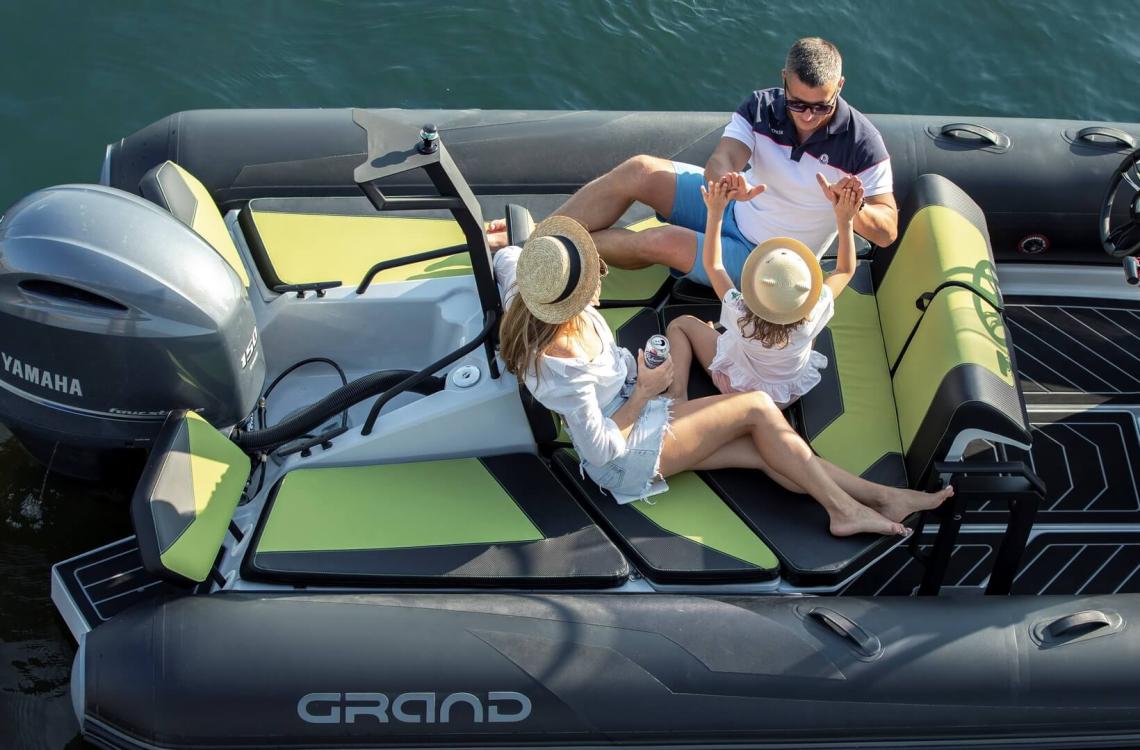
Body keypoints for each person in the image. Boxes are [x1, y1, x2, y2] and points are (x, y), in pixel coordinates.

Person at [493, 214, 950, 537]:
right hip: (624, 456)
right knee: (757, 408)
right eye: (594, 275)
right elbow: (599, 451)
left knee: (764, 452)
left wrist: (499, 244)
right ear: (567, 302)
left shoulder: (526, 293)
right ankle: (846, 510)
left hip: (636, 408)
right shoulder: (567, 366)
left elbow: (510, 260)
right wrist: (645, 393)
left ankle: (880, 498)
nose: (600, 277)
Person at [494, 37, 896, 288]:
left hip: (770, 259)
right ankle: (543, 235)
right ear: (784, 80)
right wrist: (728, 181)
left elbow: (887, 231)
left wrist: (851, 209)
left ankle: (538, 249)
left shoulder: (862, 145)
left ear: (840, 87)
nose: (807, 116)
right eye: (797, 104)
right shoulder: (761, 107)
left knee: (659, 241)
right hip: (733, 209)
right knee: (640, 170)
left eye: (820, 106)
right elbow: (723, 157)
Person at [665, 174, 861, 406]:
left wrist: (715, 213)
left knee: (680, 324)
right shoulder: (813, 312)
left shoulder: (739, 311)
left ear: (752, 286)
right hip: (785, 397)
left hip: (736, 388)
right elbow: (844, 270)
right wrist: (845, 221)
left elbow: (714, 265)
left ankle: (676, 395)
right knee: (815, 326)